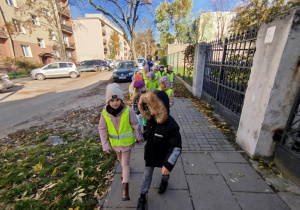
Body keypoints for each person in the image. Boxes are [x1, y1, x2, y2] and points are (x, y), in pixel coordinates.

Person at [136, 90, 182, 210]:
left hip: (164, 155)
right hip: (151, 153)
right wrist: (143, 137)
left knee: (165, 172)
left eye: (151, 107)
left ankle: (164, 181)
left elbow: (176, 147)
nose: (149, 109)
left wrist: (168, 164)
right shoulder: (151, 119)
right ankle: (142, 196)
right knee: (147, 175)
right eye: (148, 106)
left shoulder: (172, 126)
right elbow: (149, 132)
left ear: (160, 107)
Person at [98, 83, 144, 201]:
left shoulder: (128, 111)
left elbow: (135, 124)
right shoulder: (105, 113)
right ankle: (125, 171)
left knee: (125, 163)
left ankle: (125, 189)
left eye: (118, 99)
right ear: (108, 101)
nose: (115, 103)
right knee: (121, 161)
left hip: (127, 144)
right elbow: (102, 128)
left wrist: (139, 137)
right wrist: (105, 144)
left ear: (121, 99)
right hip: (115, 144)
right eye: (112, 100)